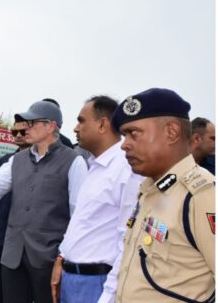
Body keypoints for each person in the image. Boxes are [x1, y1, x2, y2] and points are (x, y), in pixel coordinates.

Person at [0, 100, 88, 303]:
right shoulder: (17, 160)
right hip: (13, 255)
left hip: (48, 257)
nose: (24, 128)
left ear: (51, 126)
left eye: (32, 123)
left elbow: (79, 214)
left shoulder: (74, 161)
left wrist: (62, 256)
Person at [106, 88, 214, 303]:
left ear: (172, 132)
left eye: (133, 133)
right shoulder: (149, 189)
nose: (124, 144)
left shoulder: (201, 195)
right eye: (124, 135)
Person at [47, 96, 144, 303]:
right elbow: (81, 222)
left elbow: (126, 240)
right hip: (72, 278)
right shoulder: (94, 166)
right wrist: (61, 259)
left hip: (97, 283)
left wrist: (108, 294)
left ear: (102, 124)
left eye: (81, 121)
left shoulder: (126, 169)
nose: (75, 128)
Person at [0, 120, 30, 303]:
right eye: (14, 132)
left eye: (22, 132)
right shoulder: (6, 160)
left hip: (22, 234)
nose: (18, 136)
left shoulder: (44, 162)